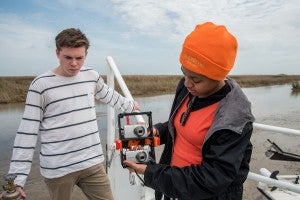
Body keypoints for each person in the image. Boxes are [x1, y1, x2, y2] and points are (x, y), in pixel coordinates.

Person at [1, 28, 139, 200]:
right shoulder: (41, 85)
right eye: (68, 57)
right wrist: (17, 179)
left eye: (79, 58)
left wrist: (130, 105)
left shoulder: (91, 76)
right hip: (58, 169)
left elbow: (108, 95)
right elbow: (27, 133)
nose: (74, 63)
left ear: (86, 55)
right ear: (57, 53)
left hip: (92, 162)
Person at [124, 22, 255, 200]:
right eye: (184, 73)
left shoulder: (236, 118)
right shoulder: (187, 88)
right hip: (172, 188)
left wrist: (151, 172)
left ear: (218, 77)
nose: (186, 83)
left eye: (196, 79)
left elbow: (212, 179)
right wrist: (156, 132)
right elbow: (178, 126)